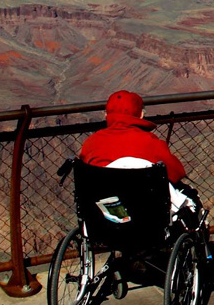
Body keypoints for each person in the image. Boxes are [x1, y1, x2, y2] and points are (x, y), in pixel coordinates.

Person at [80, 90, 198, 221]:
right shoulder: (151, 143)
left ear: (106, 115)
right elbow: (176, 173)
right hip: (147, 218)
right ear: (141, 115)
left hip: (101, 218)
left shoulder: (90, 143)